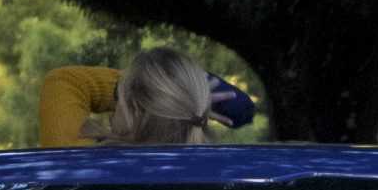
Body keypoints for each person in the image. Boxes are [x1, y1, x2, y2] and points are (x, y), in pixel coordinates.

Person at [38, 47, 256, 147]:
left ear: (134, 110)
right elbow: (244, 110)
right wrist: (181, 90)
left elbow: (66, 80)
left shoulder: (79, 164)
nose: (115, 109)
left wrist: (152, 84)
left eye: (119, 98)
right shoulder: (221, 177)